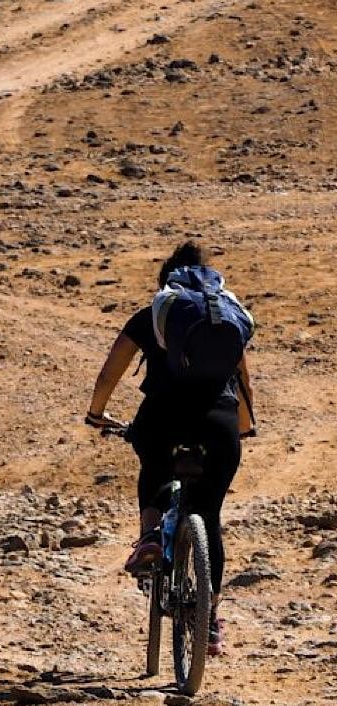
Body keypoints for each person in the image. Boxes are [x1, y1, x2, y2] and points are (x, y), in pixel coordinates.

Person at [84, 241, 255, 656]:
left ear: (167, 287)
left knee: (154, 466)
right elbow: (244, 384)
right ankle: (210, 622)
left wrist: (96, 413)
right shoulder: (223, 317)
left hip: (164, 416)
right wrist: (244, 427)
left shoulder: (152, 317)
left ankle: (148, 539)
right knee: (209, 515)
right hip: (220, 421)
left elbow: (111, 372)